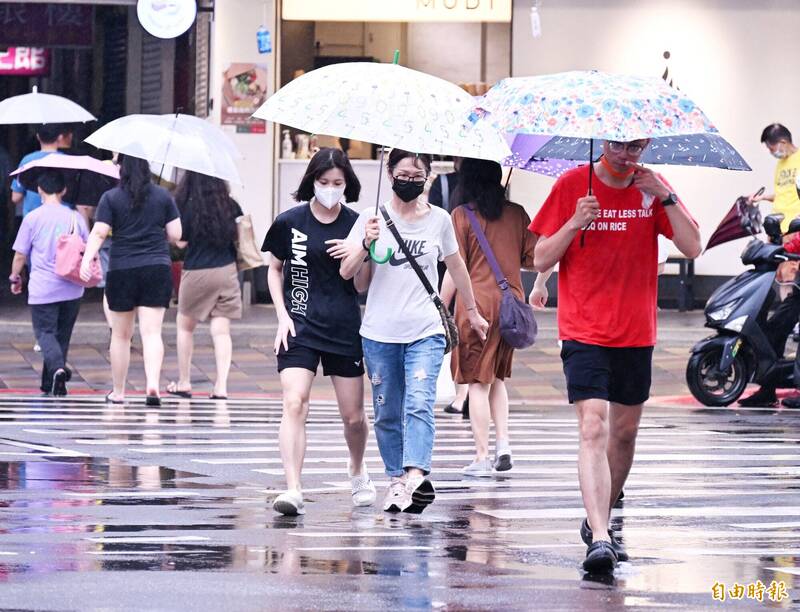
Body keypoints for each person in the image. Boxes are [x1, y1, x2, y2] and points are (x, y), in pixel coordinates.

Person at [531, 140, 701, 573]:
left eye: (635, 145)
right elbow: (539, 256)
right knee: (593, 426)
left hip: (635, 331)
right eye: (618, 144)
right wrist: (574, 222)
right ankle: (601, 536)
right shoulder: (573, 184)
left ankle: (599, 513)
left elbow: (693, 246)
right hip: (584, 329)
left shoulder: (652, 190)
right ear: (603, 141)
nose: (626, 153)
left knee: (623, 435)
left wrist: (666, 194)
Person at [337, 148, 489, 514]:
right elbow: (350, 278)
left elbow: (456, 266)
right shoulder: (371, 218)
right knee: (387, 411)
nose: (409, 183)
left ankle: (416, 475)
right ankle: (396, 480)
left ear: (428, 178)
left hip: (425, 328)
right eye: (403, 176)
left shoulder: (439, 220)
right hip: (379, 332)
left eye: (416, 177)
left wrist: (472, 311)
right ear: (389, 175)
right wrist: (364, 243)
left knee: (419, 402)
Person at [262, 147, 376, 516]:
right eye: (323, 182)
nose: (330, 189)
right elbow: (274, 269)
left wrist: (364, 248)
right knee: (294, 402)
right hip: (300, 324)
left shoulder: (359, 223)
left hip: (344, 326)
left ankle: (357, 470)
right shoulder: (289, 221)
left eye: (338, 183)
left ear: (348, 185)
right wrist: (282, 314)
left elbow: (361, 285)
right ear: (312, 181)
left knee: (354, 417)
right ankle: (293, 487)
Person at [439, 158, 536, 477]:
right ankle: (503, 443)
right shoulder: (517, 214)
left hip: (475, 306)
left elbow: (456, 268)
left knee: (475, 382)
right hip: (511, 306)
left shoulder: (461, 216)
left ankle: (482, 455)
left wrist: (442, 304)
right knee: (496, 378)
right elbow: (532, 259)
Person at [80, 155, 182, 406]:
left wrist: (86, 260)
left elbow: (100, 232)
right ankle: (153, 386)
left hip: (122, 269)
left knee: (121, 336)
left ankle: (119, 391)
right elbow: (176, 234)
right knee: (152, 333)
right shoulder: (163, 196)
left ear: (121, 169)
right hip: (156, 268)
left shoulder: (110, 198)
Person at [165, 172, 243, 400]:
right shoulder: (230, 204)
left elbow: (179, 240)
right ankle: (221, 387)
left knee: (185, 327)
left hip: (196, 270)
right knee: (221, 331)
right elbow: (239, 235)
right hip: (226, 270)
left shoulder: (186, 205)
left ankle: (184, 381)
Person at [9, 170, 86, 396]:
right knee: (62, 335)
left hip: (43, 287)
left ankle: (59, 369)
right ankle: (51, 382)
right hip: (72, 287)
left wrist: (15, 277)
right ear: (64, 190)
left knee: (44, 332)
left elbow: (20, 255)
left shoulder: (32, 218)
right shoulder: (76, 218)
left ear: (40, 190)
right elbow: (87, 246)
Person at [739, 123, 800, 407]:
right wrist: (763, 199)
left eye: (771, 146)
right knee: (777, 321)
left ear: (782, 141)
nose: (772, 152)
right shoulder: (782, 168)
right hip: (786, 242)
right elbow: (785, 196)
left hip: (795, 238)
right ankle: (767, 388)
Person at [10, 124, 68, 218]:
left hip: (33, 220)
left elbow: (16, 197)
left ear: (37, 136)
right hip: (63, 220)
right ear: (60, 137)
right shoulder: (69, 162)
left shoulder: (27, 161)